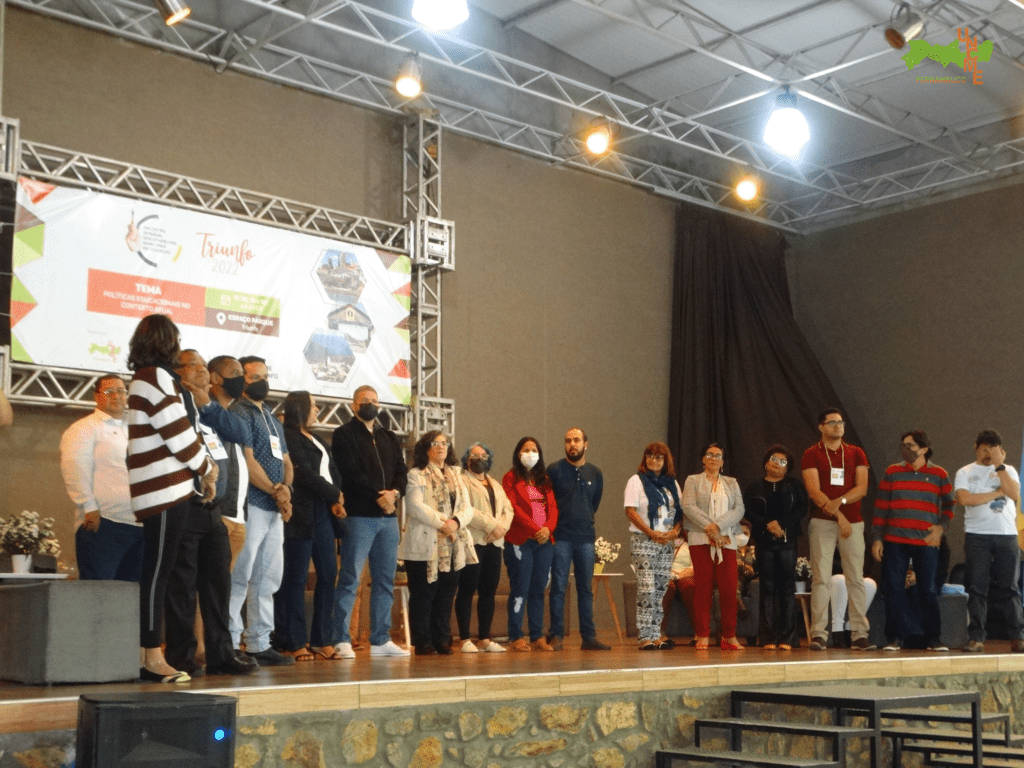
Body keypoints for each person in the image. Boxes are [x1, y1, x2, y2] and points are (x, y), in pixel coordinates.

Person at [125, 314, 217, 684]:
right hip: (165, 490)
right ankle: (151, 656)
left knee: (158, 574)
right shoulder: (154, 377)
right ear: (166, 342)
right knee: (157, 575)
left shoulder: (146, 377)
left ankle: (147, 654)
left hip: (164, 489)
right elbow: (177, 432)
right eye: (175, 340)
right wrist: (206, 468)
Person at [163, 350, 258, 677]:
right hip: (183, 503)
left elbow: (241, 433)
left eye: (206, 367)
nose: (203, 371)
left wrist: (206, 404)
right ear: (179, 372)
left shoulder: (209, 410)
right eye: (196, 366)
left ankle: (221, 653)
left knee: (219, 584)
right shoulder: (172, 404)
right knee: (183, 585)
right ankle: (182, 655)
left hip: (213, 509)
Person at [331, 385, 409, 658]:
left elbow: (401, 471)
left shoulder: (388, 436)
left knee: (385, 580)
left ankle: (380, 640)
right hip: (359, 516)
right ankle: (341, 639)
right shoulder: (344, 434)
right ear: (354, 405)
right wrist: (380, 496)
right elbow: (350, 473)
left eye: (375, 400)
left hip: (388, 520)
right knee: (350, 578)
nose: (370, 404)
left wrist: (394, 494)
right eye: (364, 400)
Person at [228, 355, 295, 666]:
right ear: (242, 380)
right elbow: (247, 459)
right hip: (251, 505)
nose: (262, 382)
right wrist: (274, 491)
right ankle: (230, 642)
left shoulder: (271, 415)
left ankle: (259, 642)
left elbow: (287, 461)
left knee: (268, 578)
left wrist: (287, 490)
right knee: (240, 575)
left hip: (274, 509)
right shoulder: (238, 412)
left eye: (265, 376)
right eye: (255, 377)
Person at [277, 391, 347, 661]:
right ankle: (294, 641)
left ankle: (322, 639)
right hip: (300, 512)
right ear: (301, 408)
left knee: (328, 574)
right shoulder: (289, 436)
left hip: (323, 512)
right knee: (295, 578)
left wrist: (336, 499)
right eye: (314, 406)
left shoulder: (317, 438)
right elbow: (303, 474)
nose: (317, 410)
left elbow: (332, 471)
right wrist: (334, 494)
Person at [871, 430, 955, 652]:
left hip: (926, 542)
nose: (905, 448)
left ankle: (934, 638)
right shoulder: (892, 472)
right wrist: (877, 538)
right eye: (903, 444)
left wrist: (941, 527)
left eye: (910, 445)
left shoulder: (939, 474)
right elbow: (880, 507)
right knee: (894, 588)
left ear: (924, 449)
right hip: (895, 540)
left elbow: (950, 504)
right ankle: (894, 638)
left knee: (927, 589)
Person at [59, 375, 144, 582]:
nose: (116, 396)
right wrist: (88, 505)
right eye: (109, 391)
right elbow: (75, 468)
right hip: (103, 524)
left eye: (121, 391)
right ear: (97, 396)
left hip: (141, 526)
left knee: (133, 594)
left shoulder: (138, 428)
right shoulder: (84, 428)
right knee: (98, 593)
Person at [801, 408, 872, 651]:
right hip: (823, 523)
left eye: (840, 422)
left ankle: (859, 634)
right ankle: (819, 634)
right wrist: (840, 516)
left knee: (856, 578)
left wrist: (840, 502)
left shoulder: (856, 452)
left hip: (854, 522)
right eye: (832, 422)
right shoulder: (812, 454)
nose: (838, 426)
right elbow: (814, 491)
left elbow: (862, 488)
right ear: (821, 426)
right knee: (821, 578)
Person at [401, 431, 476, 655]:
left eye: (444, 443)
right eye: (435, 443)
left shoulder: (457, 475)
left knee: (446, 594)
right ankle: (423, 641)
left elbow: (467, 508)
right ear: (426, 449)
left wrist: (456, 522)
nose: (441, 446)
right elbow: (415, 506)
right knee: (424, 595)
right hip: (424, 543)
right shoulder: (416, 474)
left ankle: (442, 639)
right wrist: (444, 523)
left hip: (453, 543)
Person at [954, 429, 1024, 653]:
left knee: (1010, 588)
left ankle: (1018, 636)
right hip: (977, 535)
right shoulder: (965, 471)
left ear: (1000, 451)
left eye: (992, 450)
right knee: (977, 587)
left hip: (1007, 535)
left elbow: (1013, 493)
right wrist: (996, 493)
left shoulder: (1008, 470)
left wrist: (999, 465)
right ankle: (976, 637)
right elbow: (965, 499)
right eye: (984, 449)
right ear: (976, 447)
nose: (988, 454)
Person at [547, 428, 610, 651]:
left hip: (585, 539)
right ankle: (556, 636)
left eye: (576, 440)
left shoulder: (595, 473)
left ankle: (589, 637)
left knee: (585, 589)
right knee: (558, 587)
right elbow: (546, 502)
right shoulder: (554, 470)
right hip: (561, 537)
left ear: (586, 444)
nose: (572, 444)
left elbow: (594, 504)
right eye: (568, 441)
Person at [682, 442, 745, 650]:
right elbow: (688, 506)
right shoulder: (692, 480)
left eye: (718, 455)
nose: (713, 458)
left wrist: (718, 527)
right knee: (703, 587)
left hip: (726, 540)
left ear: (723, 461)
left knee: (729, 589)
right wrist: (710, 529)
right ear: (703, 459)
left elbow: (739, 509)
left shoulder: (731, 482)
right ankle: (702, 634)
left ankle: (729, 636)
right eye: (709, 454)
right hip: (700, 539)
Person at [743, 444, 806, 650]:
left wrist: (781, 524)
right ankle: (768, 637)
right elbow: (748, 510)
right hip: (764, 541)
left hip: (787, 541)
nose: (777, 464)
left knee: (787, 588)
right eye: (773, 459)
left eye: (782, 461)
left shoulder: (794, 485)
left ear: (788, 467)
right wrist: (767, 524)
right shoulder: (754, 487)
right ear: (766, 463)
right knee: (767, 588)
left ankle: (788, 638)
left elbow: (802, 508)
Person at [455, 442, 514, 653]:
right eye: (474, 455)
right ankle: (464, 639)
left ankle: (485, 638)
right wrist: (491, 526)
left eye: (483, 456)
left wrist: (501, 528)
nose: (479, 459)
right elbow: (466, 509)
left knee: (488, 591)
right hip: (473, 542)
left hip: (494, 543)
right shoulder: (461, 481)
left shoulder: (494, 484)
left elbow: (508, 509)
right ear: (467, 459)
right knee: (467, 589)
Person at [502, 437, 559, 652]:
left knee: (538, 589)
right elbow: (513, 507)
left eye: (534, 450)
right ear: (518, 454)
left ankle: (537, 635)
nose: (530, 453)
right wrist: (535, 528)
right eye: (526, 450)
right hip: (520, 540)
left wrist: (548, 529)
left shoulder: (543, 479)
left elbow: (553, 507)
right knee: (520, 588)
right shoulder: (510, 478)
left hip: (544, 541)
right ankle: (515, 635)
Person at [626, 442, 683, 650]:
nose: (654, 460)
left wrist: (674, 532)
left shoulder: (672, 484)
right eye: (650, 456)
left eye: (659, 457)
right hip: (644, 540)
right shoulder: (636, 481)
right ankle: (644, 636)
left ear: (666, 460)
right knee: (647, 587)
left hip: (666, 542)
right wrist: (651, 533)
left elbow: (679, 514)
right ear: (645, 458)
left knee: (660, 589)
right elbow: (630, 511)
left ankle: (656, 634)